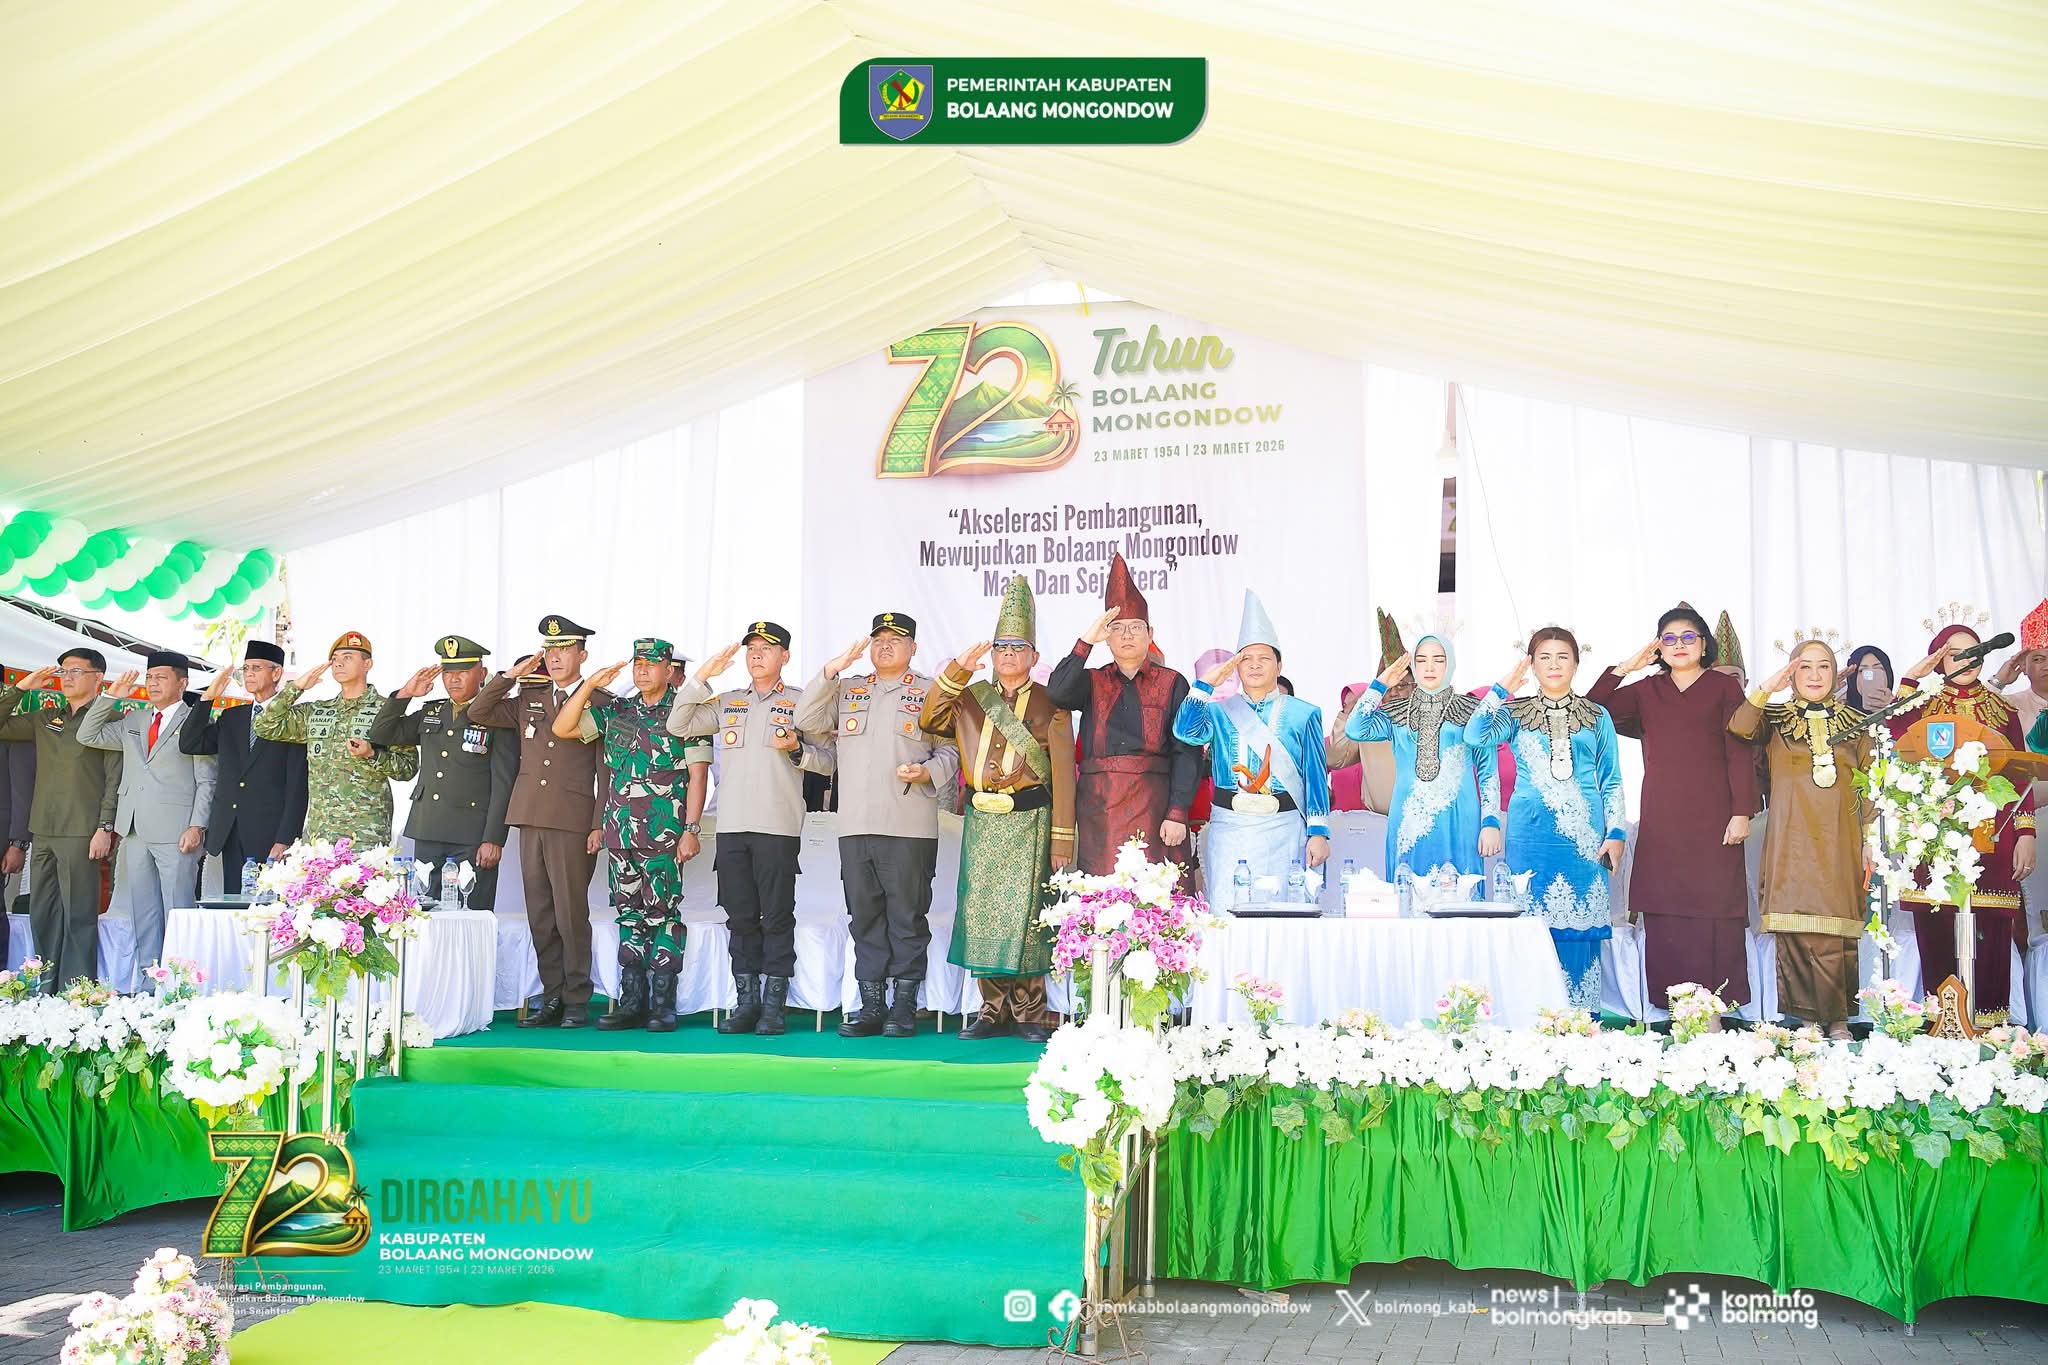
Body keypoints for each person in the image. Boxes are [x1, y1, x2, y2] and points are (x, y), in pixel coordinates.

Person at [919, 576, 1075, 1041]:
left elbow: (1064, 774)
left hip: (1031, 821)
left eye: (1018, 647)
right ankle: (990, 1009)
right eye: (1001, 646)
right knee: (983, 914)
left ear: (1034, 656)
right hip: (983, 822)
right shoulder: (970, 697)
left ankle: (1030, 1011)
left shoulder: (1052, 702)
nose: (1008, 654)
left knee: (1028, 917)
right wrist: (958, 670)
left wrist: (1062, 839)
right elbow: (930, 718)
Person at [1588, 605, 1759, 1016]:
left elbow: (1740, 750)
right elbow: (1592, 711)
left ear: (1704, 645)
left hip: (1715, 816)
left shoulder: (1723, 687)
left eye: (1688, 637)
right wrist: (1626, 668)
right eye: (1669, 638)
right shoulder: (1647, 691)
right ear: (1657, 647)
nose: (1679, 645)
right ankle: (1676, 1008)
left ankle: (1713, 1010)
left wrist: (1742, 810)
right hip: (1663, 816)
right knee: (1666, 909)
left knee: (1715, 909)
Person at [796, 612, 960, 1038]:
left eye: (895, 639)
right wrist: (831, 671)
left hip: (908, 825)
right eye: (879, 639)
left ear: (913, 648)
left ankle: (903, 1007)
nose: (885, 646)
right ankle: (871, 1006)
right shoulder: (849, 689)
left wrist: (927, 772)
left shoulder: (929, 692)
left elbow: (951, 750)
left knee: (906, 918)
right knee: (864, 917)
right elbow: (807, 720)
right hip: (855, 824)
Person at [668, 620, 833, 1036]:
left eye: (766, 648)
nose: (756, 655)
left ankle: (774, 1007)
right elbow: (679, 725)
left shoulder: (801, 703)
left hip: (777, 826)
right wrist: (702, 677)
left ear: (785, 656)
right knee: (740, 917)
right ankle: (747, 1003)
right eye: (751, 648)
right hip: (732, 826)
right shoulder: (728, 702)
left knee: (776, 917)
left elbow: (829, 759)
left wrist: (797, 750)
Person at [1464, 628, 1626, 1011]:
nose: (1554, 665)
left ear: (1577, 663)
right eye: (1544, 657)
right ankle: (1530, 1018)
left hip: (1584, 839)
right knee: (1528, 929)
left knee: (1580, 933)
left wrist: (1616, 831)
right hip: (1529, 835)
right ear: (1532, 665)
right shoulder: (1514, 713)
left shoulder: (1596, 716)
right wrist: (1503, 689)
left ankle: (1580, 1021)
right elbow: (1474, 734)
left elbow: (1611, 778)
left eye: (1562, 656)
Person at [557, 638, 710, 1032]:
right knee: (628, 916)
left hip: (663, 834)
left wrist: (691, 830)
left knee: (663, 915)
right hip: (621, 833)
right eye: (637, 664)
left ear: (668, 669)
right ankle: (631, 1002)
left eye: (651, 664)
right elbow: (563, 727)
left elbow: (698, 776)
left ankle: (662, 1003)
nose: (642, 671)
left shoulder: (685, 713)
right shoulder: (618, 710)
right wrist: (589, 685)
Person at [1894, 620, 2037, 1026]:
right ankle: (1943, 1025)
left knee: (1990, 930)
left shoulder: (2003, 710)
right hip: (1933, 835)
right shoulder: (1922, 705)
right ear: (1938, 660)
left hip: (1992, 835)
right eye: (1955, 654)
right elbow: (1892, 736)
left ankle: (1990, 1031)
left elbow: (2020, 776)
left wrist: (2026, 833)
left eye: (1975, 652)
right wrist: (1911, 680)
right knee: (1938, 925)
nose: (1967, 661)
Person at [1729, 638, 1872, 1037]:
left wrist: (1869, 840)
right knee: (1796, 927)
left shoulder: (1857, 724)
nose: (1814, 675)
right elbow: (1739, 726)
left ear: (1836, 673)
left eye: (1823, 666)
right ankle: (1807, 1019)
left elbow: (1869, 786)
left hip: (1842, 838)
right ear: (1792, 673)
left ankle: (1839, 1018)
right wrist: (1769, 687)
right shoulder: (1775, 718)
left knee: (1838, 929)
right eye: (1804, 666)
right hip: (1791, 838)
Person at [469, 615, 607, 1029]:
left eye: (564, 649)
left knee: (570, 913)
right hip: (530, 815)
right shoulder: (530, 697)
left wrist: (598, 822)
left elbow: (606, 770)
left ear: (582, 655)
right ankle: (552, 996)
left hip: (571, 818)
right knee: (540, 914)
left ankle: (577, 998)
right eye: (549, 650)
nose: (555, 657)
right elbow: (479, 710)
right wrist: (510, 676)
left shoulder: (599, 701)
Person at [1046, 555, 1198, 880]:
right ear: (1107, 635)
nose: (1127, 635)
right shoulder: (1091, 681)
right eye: (1117, 628)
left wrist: (1177, 810)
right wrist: (1086, 641)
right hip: (1099, 810)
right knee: (1102, 897)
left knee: (1154, 895)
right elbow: (1057, 692)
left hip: (1155, 805)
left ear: (1149, 633)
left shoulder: (1172, 682)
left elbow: (1186, 751)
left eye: (1135, 627)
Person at [1174, 590, 1330, 897]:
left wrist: (1319, 833)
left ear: (1279, 666)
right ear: (1236, 667)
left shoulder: (1305, 713)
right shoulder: (1218, 712)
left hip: (1285, 829)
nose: (1255, 666)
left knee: (1284, 912)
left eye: (1264, 659)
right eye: (1246, 659)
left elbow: (1315, 777)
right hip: (1230, 830)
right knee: (1228, 911)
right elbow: (1185, 732)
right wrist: (1206, 684)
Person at [77, 652, 216, 983]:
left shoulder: (197, 722)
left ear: (182, 683)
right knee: (143, 911)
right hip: (134, 827)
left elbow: (207, 780)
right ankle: (150, 981)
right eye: (149, 677)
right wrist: (110, 697)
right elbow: (88, 735)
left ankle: (182, 983)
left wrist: (197, 825)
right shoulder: (135, 720)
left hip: (176, 830)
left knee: (177, 909)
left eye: (161, 677)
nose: (152, 683)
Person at [367, 635, 518, 911]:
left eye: (463, 672)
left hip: (472, 834)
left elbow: (503, 783)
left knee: (471, 913)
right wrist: (405, 694)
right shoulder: (432, 711)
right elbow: (380, 734)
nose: (453, 679)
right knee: (425, 913)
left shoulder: (497, 717)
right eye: (448, 672)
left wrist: (494, 838)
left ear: (481, 673)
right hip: (429, 827)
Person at [0, 654, 119, 991]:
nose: (67, 677)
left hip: (82, 829)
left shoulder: (110, 718)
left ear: (98, 677)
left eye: (76, 671)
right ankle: (45, 986)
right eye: (64, 671)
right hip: (43, 828)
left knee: (78, 914)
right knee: (43, 912)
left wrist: (105, 827)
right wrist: (22, 688)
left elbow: (114, 779)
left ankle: (77, 990)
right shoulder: (46, 717)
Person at [1345, 633, 1500, 884]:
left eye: (1438, 660)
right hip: (1409, 817)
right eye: (1421, 660)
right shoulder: (1396, 713)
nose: (1429, 668)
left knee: (1460, 894)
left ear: (1450, 663)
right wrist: (1381, 683)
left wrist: (1490, 822)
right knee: (1408, 892)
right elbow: (1355, 729)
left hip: (1459, 817)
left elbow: (1488, 771)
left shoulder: (1472, 711)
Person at [254, 633, 419, 845]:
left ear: (367, 664)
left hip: (365, 834)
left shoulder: (386, 711)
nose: (338, 663)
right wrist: (296, 687)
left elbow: (408, 768)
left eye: (347, 657)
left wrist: (372, 755)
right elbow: (264, 726)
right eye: (334, 659)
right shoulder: (317, 711)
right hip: (320, 835)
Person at [183, 641, 307, 894]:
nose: (249, 674)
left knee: (267, 905)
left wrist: (286, 838)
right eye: (246, 668)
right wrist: (207, 698)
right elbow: (190, 743)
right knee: (234, 903)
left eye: (256, 668)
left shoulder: (292, 719)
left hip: (269, 831)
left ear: (276, 673)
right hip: (230, 827)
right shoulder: (233, 717)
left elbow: (297, 786)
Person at [1841, 645, 1896, 712]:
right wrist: (1830, 690)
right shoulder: (1839, 713)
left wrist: (1893, 708)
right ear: (1852, 678)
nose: (1871, 676)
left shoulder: (1903, 710)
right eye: (1862, 670)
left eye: (1878, 669)